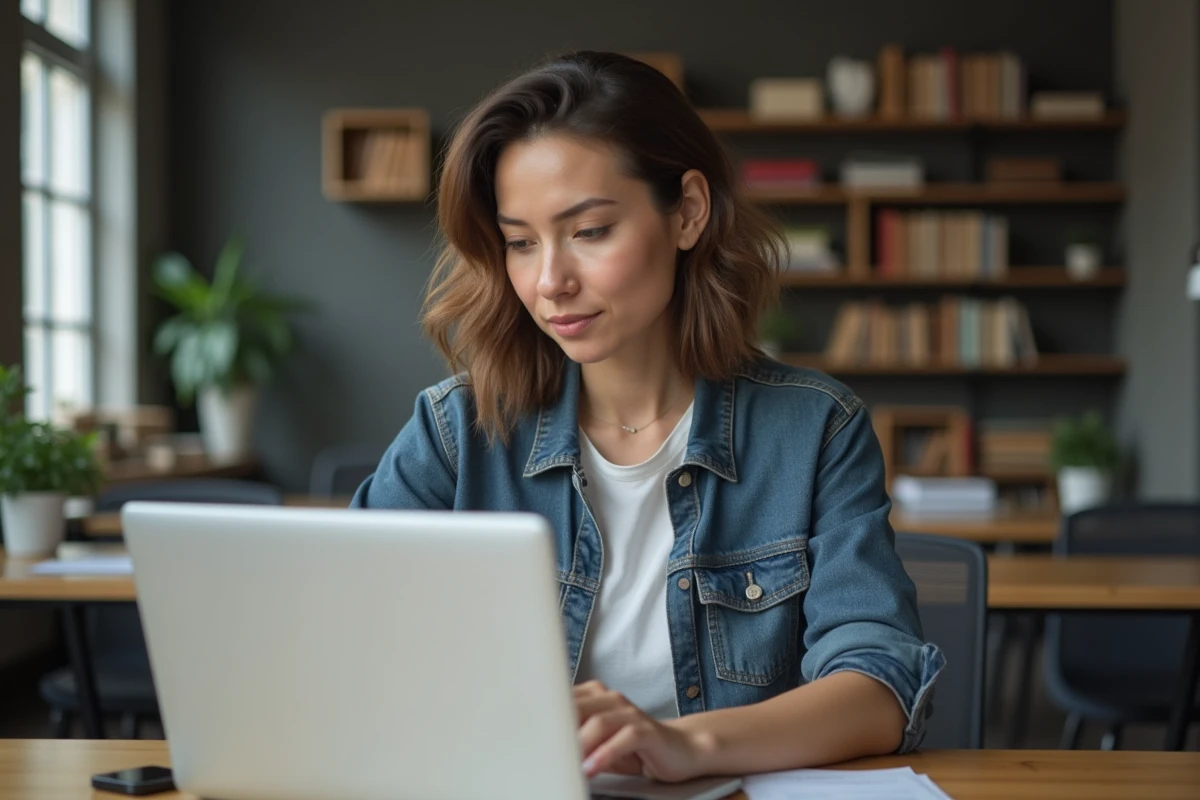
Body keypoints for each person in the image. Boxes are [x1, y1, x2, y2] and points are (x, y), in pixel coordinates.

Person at [352, 50, 943, 782]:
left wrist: (686, 746)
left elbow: (880, 684)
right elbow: (346, 645)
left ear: (688, 212)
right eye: (520, 243)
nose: (550, 281)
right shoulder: (457, 432)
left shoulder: (814, 429)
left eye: (591, 231)